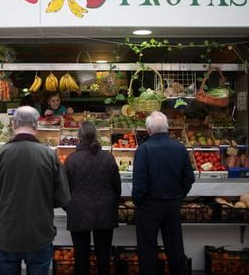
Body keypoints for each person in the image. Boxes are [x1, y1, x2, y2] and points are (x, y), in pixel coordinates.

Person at [0, 106, 70, 275]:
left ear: (14, 124)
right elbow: (62, 198)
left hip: (6, 233)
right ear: (36, 125)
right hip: (39, 233)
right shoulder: (49, 155)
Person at [132, 111, 195, 275]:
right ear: (167, 128)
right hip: (172, 206)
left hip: (148, 207)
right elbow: (189, 178)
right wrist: (178, 197)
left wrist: (138, 202)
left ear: (148, 130)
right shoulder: (180, 148)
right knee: (175, 249)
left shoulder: (143, 150)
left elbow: (139, 184)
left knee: (147, 251)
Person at [64, 121, 121, 275]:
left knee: (81, 258)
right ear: (96, 136)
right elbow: (117, 189)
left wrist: (70, 207)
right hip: (104, 212)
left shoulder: (71, 160)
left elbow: (64, 191)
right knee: (103, 256)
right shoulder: (108, 158)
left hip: (78, 212)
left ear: (79, 137)